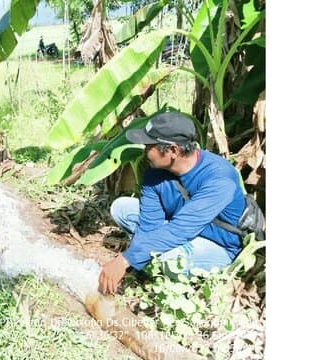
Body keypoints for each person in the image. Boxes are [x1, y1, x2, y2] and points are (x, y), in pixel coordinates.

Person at [98, 112, 245, 295]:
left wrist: (124, 260)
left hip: (217, 245)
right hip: (178, 226)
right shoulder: (154, 173)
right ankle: (150, 258)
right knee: (121, 208)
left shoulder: (220, 178)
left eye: (149, 146)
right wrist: (133, 261)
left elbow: (181, 228)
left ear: (173, 151)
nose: (144, 150)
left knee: (167, 259)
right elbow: (148, 225)